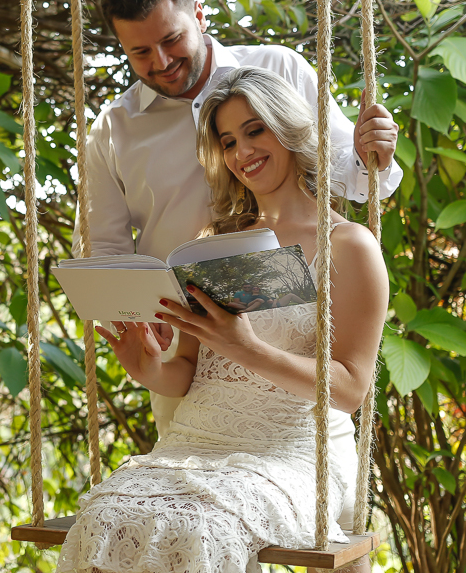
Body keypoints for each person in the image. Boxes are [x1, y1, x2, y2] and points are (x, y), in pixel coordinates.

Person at [79, 0, 402, 531]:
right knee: (135, 521)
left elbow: (350, 173)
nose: (161, 62)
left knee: (201, 526)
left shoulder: (278, 69)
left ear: (199, 16)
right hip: (189, 359)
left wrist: (375, 153)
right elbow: (106, 253)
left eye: (171, 40)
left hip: (293, 429)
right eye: (140, 52)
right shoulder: (113, 129)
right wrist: (140, 338)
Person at [56, 66, 389, 573]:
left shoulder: (346, 244)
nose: (242, 152)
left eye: (255, 130)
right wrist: (147, 368)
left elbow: (349, 390)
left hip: (291, 450)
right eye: (228, 141)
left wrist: (248, 349)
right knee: (106, 515)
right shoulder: (212, 244)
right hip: (193, 443)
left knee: (199, 528)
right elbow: (188, 372)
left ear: (288, 128)